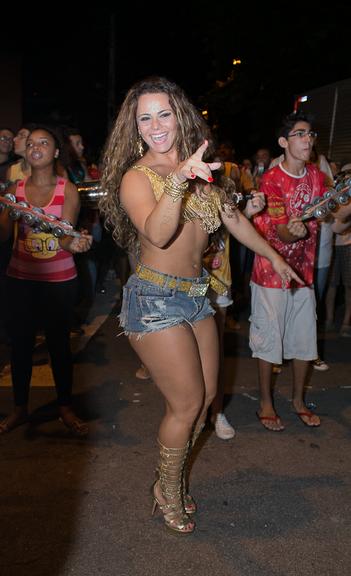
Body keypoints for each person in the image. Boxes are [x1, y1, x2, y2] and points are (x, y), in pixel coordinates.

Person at [99, 76, 301, 534]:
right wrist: (177, 182)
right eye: (144, 118)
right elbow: (158, 233)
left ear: (180, 116)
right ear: (134, 128)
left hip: (195, 297)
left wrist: (274, 256)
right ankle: (166, 488)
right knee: (186, 403)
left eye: (163, 113)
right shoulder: (137, 176)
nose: (155, 125)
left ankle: (168, 478)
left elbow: (232, 220)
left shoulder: (204, 170)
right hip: (153, 298)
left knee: (209, 398)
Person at [0, 126, 92, 436]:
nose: (35, 146)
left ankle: (65, 406)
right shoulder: (15, 189)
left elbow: (66, 239)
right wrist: (5, 209)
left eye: (44, 142)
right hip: (21, 279)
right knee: (21, 346)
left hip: (59, 280)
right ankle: (20, 408)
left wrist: (76, 244)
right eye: (31, 142)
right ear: (25, 152)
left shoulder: (67, 189)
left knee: (58, 345)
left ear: (55, 152)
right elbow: (2, 236)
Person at [249, 111, 324, 432]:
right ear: (284, 142)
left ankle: (297, 400)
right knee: (268, 339)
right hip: (270, 275)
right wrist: (296, 231)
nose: (308, 139)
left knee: (305, 339)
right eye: (300, 134)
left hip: (304, 273)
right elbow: (280, 233)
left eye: (310, 134)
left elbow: (331, 214)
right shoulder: (271, 180)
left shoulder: (318, 176)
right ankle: (266, 401)